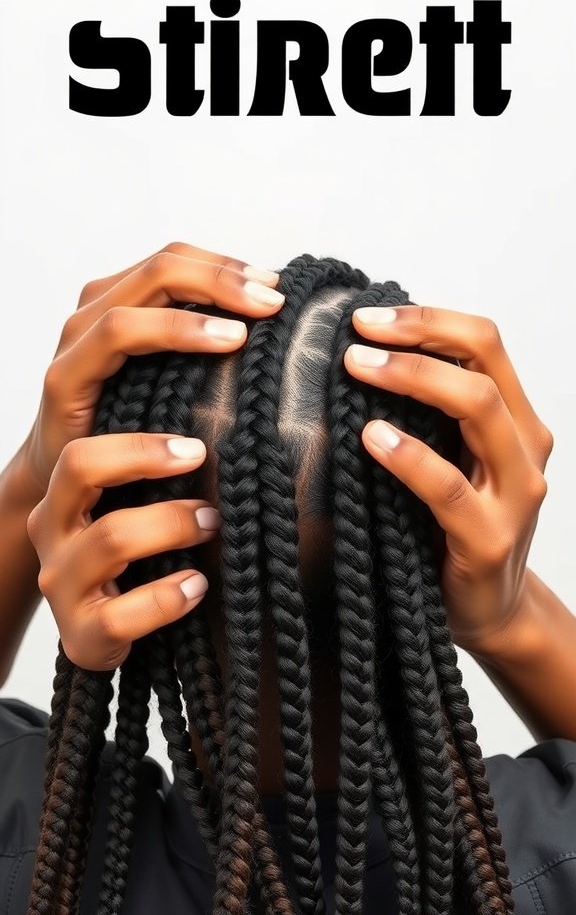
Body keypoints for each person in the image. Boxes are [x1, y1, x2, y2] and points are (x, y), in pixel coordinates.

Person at [0, 242, 574, 915]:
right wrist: (508, 618)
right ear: (427, 579)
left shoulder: (38, 851)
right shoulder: (543, 859)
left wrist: (32, 478)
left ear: (120, 564)